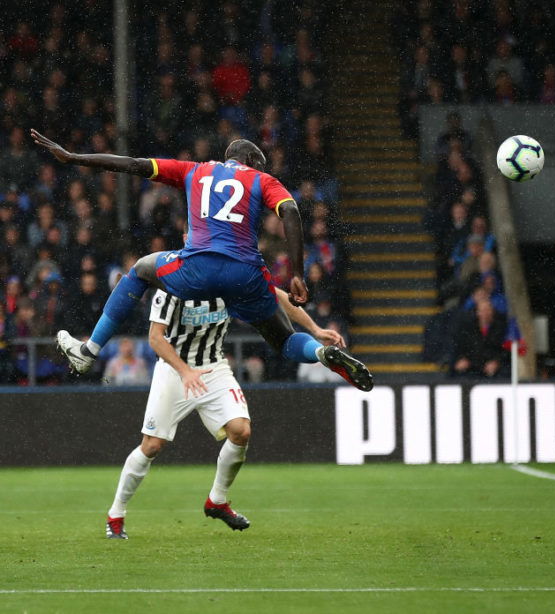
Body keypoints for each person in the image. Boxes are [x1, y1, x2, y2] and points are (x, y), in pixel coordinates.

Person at [30, 129, 372, 391]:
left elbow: (132, 165)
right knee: (283, 340)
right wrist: (298, 273)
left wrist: (74, 158)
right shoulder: (262, 180)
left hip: (196, 270)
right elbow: (292, 211)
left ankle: (89, 350)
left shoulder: (194, 171)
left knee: (141, 269)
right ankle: (319, 354)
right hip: (246, 274)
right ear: (252, 164)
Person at [105, 285, 344, 539]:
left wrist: (315, 329)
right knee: (152, 445)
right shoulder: (171, 283)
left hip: (214, 368)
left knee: (241, 431)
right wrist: (185, 372)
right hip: (174, 370)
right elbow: (155, 338)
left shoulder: (230, 275)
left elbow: (276, 296)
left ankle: (217, 501)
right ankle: (116, 514)